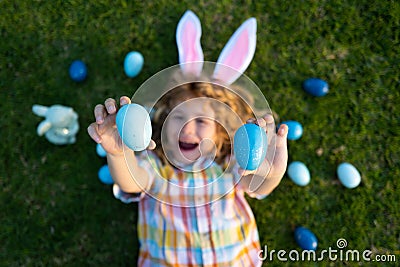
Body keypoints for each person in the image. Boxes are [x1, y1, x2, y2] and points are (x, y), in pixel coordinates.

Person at [87, 10, 289, 267]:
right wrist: (118, 153)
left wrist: (271, 172)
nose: (187, 129)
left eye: (202, 121)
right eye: (178, 118)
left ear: (220, 133)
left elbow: (258, 185)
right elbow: (131, 182)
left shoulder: (229, 167)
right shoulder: (157, 169)